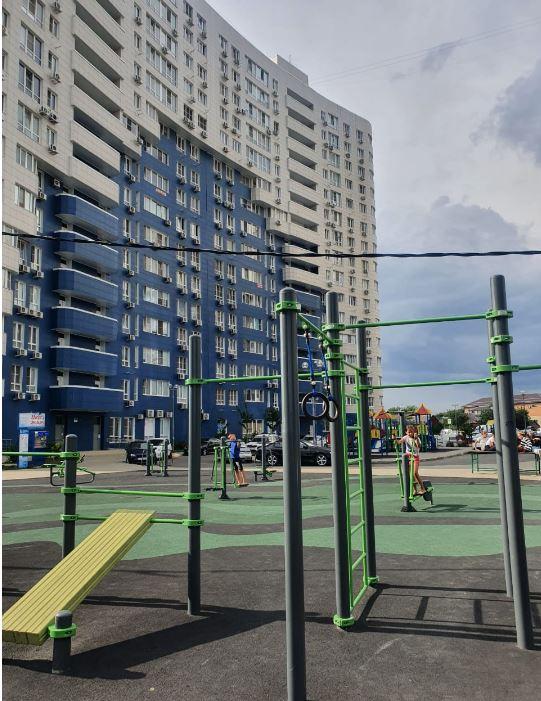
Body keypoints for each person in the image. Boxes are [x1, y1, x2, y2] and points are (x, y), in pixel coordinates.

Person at [398, 425, 425, 495]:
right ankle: (415, 490)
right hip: (408, 457)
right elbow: (399, 442)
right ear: (406, 432)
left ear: (414, 432)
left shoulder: (417, 438)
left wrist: (415, 439)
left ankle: (422, 488)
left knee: (415, 473)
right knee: (410, 475)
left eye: (411, 432)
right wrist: (395, 440)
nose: (410, 433)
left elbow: (418, 446)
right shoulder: (405, 437)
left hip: (415, 457)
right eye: (409, 432)